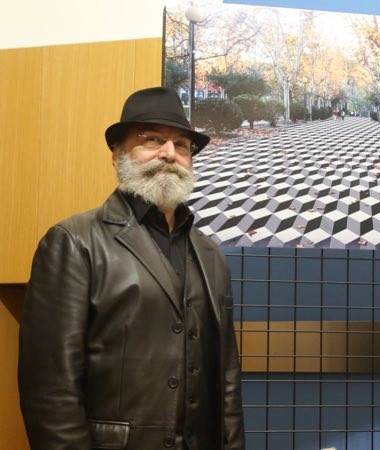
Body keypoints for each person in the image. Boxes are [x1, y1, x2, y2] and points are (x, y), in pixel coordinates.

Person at [18, 87, 245, 450]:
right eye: (152, 139)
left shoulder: (210, 254)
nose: (169, 153)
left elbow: (227, 379)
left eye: (182, 145)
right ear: (117, 153)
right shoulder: (74, 242)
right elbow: (50, 388)